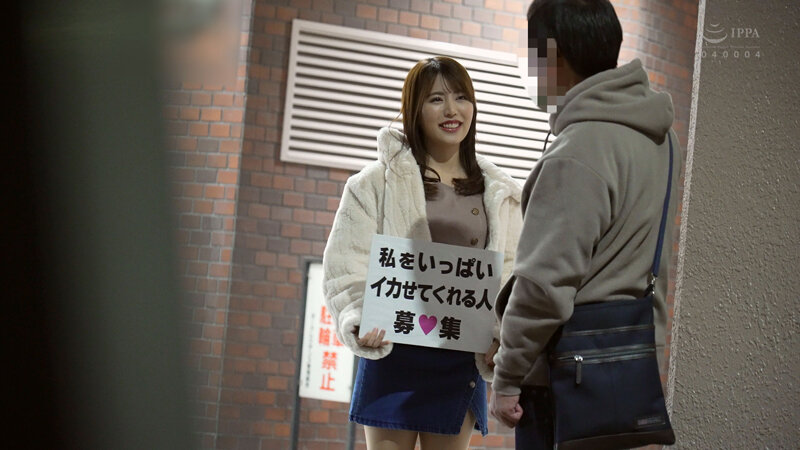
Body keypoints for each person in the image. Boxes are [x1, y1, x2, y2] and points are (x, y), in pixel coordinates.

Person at [490, 1, 683, 448]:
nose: (530, 68)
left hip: (564, 382)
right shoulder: (660, 138)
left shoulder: (579, 150)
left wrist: (508, 374)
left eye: (532, 54)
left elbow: (544, 284)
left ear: (554, 54)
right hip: (627, 372)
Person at [322, 56, 522, 449]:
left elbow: (513, 274)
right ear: (415, 108)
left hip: (459, 355)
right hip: (393, 352)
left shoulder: (501, 193)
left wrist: (501, 334)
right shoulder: (373, 183)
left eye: (461, 97)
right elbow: (346, 263)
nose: (452, 110)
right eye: (436, 99)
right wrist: (359, 317)